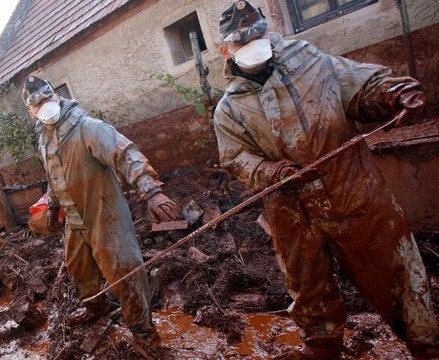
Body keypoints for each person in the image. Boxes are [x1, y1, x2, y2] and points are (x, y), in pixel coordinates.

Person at [212, 1, 439, 358]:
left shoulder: (312, 64)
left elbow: (360, 84)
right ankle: (323, 344)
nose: (254, 46)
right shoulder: (229, 109)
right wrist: (271, 172)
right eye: (243, 43)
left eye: (258, 36)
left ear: (270, 35)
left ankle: (425, 343)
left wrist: (395, 91)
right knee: (307, 283)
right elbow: (234, 158)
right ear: (226, 50)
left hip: (353, 192)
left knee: (395, 269)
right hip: (290, 208)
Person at [23, 75, 181, 347]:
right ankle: (96, 311)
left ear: (57, 96)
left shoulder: (87, 127)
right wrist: (53, 206)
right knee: (79, 268)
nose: (45, 105)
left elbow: (125, 153)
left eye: (48, 98)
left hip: (103, 212)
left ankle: (144, 333)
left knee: (124, 269)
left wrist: (151, 191)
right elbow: (52, 175)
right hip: (74, 218)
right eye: (38, 104)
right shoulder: (43, 138)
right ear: (31, 112)